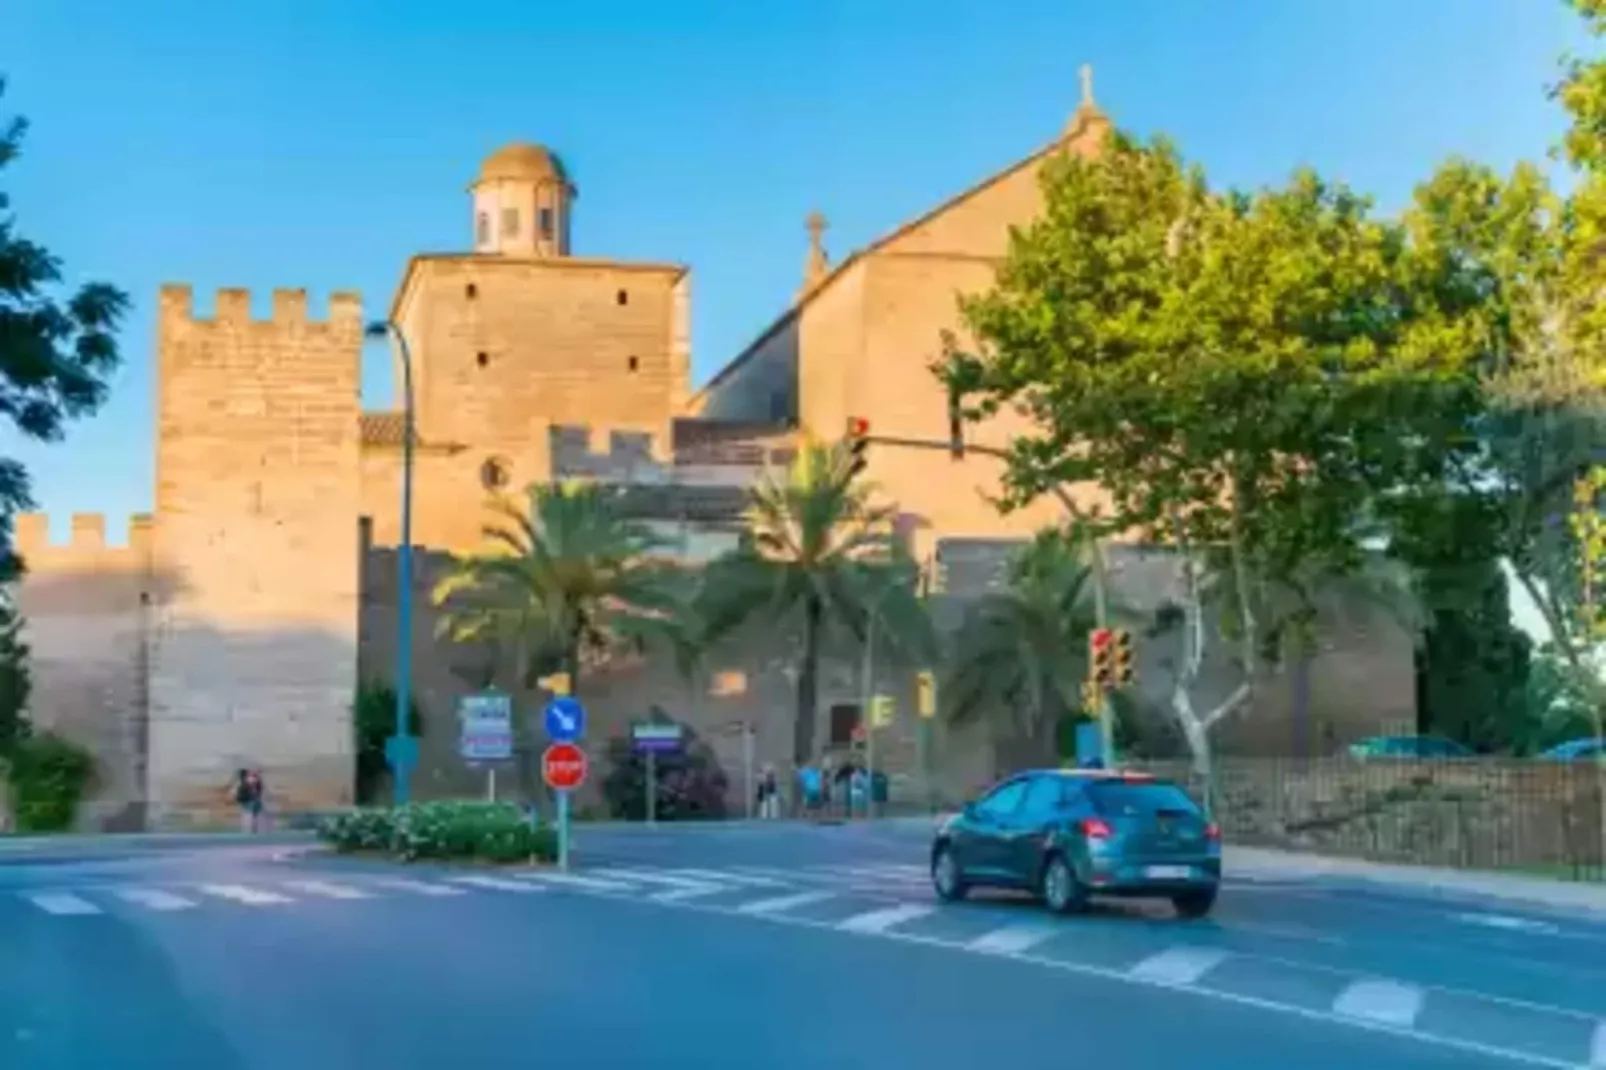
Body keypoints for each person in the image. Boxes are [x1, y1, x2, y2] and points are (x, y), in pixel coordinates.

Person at [233, 768, 265, 833]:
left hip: (253, 802)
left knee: (256, 810)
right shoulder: (244, 785)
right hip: (248, 801)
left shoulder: (256, 784)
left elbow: (258, 792)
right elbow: (241, 796)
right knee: (252, 810)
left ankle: (255, 826)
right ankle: (251, 827)